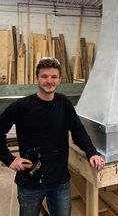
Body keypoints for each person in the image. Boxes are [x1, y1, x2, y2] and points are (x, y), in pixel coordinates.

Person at [0, 57, 105, 216]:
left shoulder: (64, 103)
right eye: (44, 76)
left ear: (59, 79)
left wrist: (91, 151)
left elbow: (78, 131)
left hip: (60, 182)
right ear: (37, 79)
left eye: (54, 77)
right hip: (30, 182)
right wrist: (9, 159)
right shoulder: (22, 106)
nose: (49, 81)